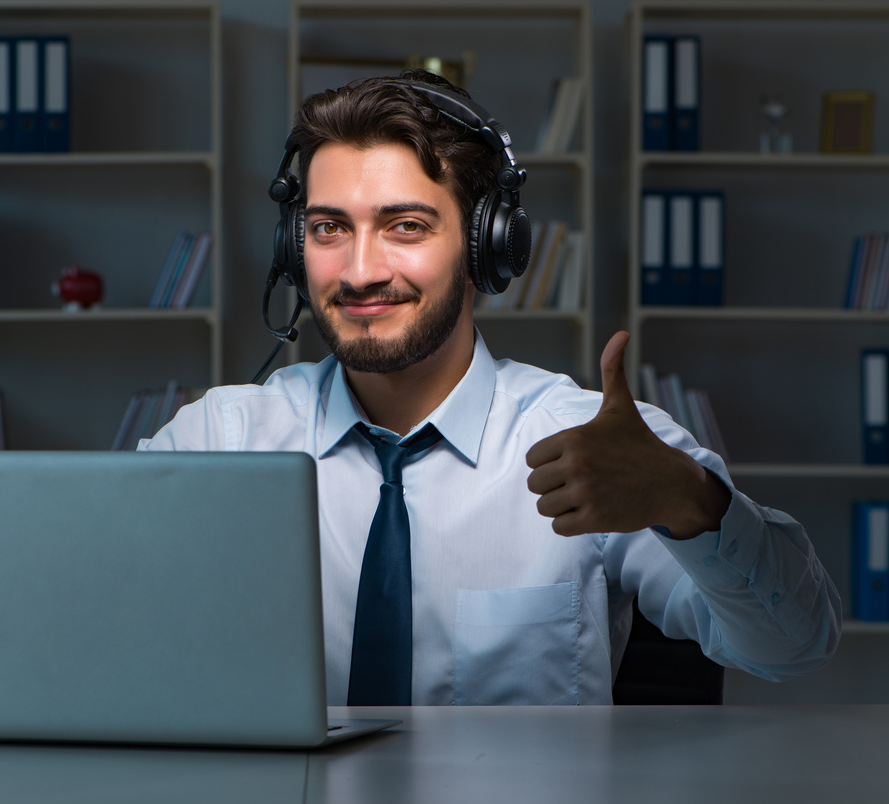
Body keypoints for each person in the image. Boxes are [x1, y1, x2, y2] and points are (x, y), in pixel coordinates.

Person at [141, 70, 842, 705]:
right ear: (294, 250)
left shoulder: (601, 445)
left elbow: (794, 646)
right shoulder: (219, 442)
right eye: (329, 228)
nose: (359, 271)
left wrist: (690, 499)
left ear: (489, 247)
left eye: (405, 226)